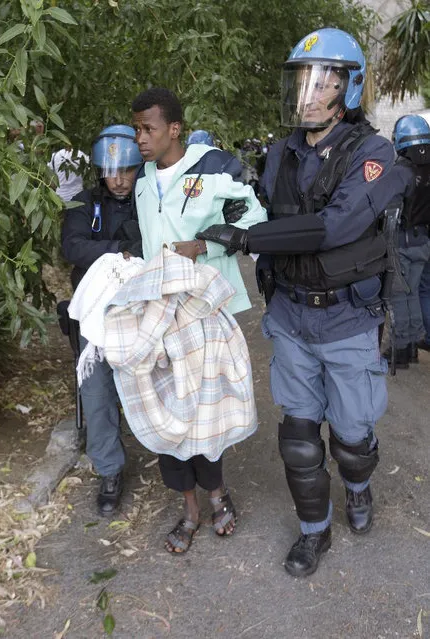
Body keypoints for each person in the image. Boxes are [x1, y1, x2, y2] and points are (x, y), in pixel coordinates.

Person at [196, 28, 413, 576]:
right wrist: (210, 181)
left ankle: (358, 489)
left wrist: (248, 240)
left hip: (346, 320)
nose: (309, 93)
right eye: (302, 81)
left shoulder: (374, 154)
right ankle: (314, 533)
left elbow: (333, 226)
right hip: (290, 316)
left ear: (350, 87)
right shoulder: (280, 152)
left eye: (324, 82)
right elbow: (257, 204)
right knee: (298, 436)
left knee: (351, 438)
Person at [131, 87, 267, 554]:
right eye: (136, 130)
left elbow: (254, 215)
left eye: (148, 129)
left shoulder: (215, 167)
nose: (140, 139)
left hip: (208, 314)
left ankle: (216, 494)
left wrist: (205, 245)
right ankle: (188, 508)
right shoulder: (143, 181)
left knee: (205, 415)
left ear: (174, 128)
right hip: (161, 320)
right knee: (168, 413)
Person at [61, 124, 143, 516]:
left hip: (143, 309)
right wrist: (119, 251)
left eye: (126, 170)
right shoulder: (83, 202)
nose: (120, 180)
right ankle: (110, 469)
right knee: (96, 394)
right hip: (95, 313)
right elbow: (74, 247)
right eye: (112, 172)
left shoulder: (150, 194)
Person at [382, 115, 430, 367]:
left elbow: (388, 211)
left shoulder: (400, 171)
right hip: (423, 242)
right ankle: (411, 347)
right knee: (411, 295)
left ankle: (399, 352)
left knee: (399, 297)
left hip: (400, 242)